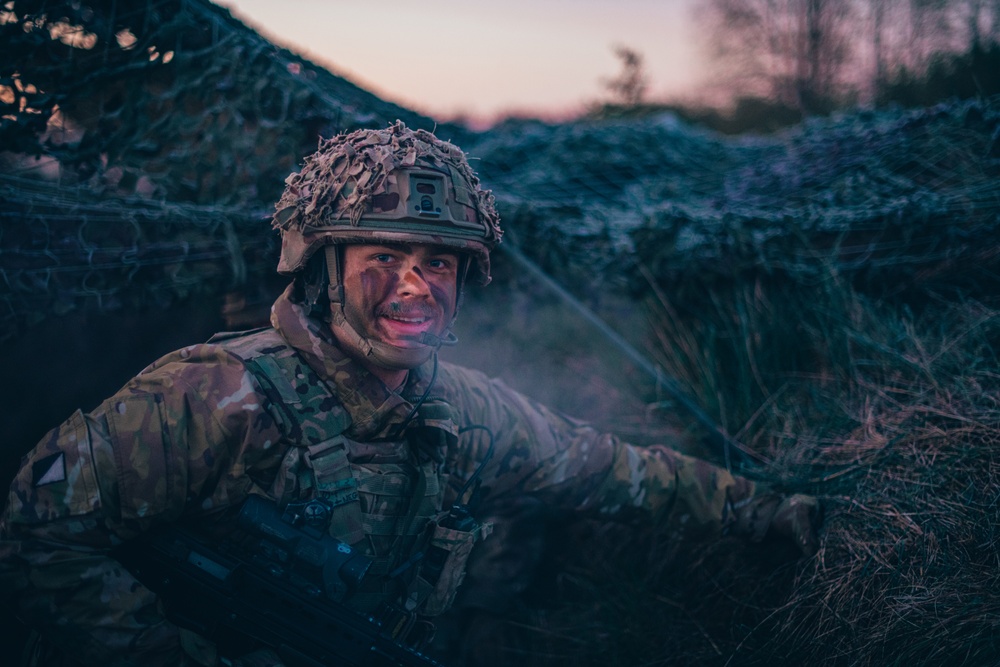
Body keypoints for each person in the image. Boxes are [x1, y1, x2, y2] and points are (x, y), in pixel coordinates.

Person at [0, 122, 820, 667]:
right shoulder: (216, 394)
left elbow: (609, 469)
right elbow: (36, 533)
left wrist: (765, 509)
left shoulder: (461, 411)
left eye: (438, 262)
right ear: (324, 265)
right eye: (383, 257)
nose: (414, 287)